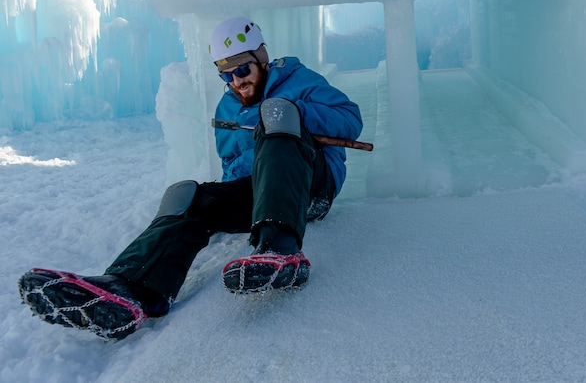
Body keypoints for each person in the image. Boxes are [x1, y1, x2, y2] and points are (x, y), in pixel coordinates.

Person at [18, 17, 364, 341]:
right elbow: (234, 170)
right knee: (185, 194)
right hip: (264, 191)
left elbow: (350, 119)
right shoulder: (228, 110)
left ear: (262, 58)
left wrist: (290, 113)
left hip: (311, 186)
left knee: (277, 112)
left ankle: (281, 249)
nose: (236, 81)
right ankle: (132, 288)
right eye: (225, 74)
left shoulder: (299, 81)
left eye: (243, 68)